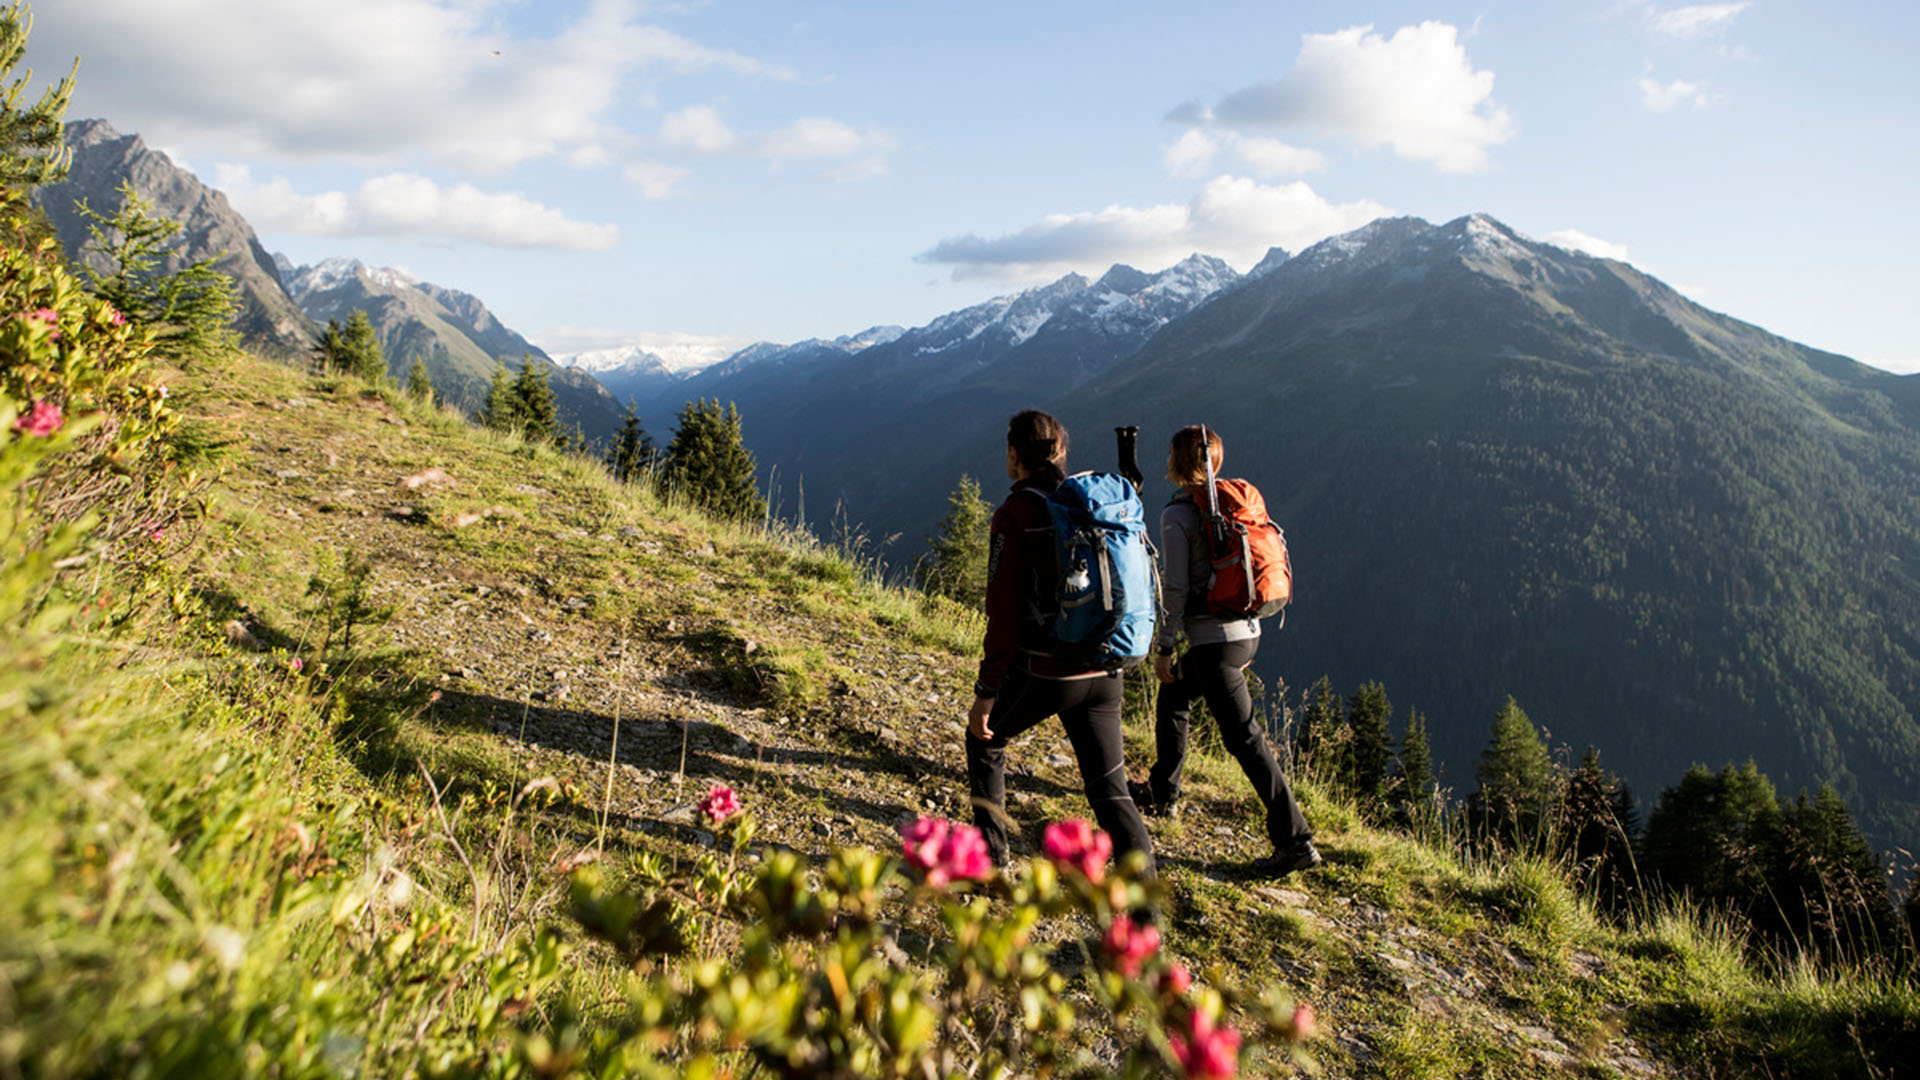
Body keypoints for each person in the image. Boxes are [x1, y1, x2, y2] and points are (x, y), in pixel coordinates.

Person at [966, 409, 1156, 878]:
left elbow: (1004, 614)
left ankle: (993, 864)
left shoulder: (1016, 515)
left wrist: (987, 692)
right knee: (1111, 794)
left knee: (985, 741)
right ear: (1061, 452)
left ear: (1014, 455)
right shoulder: (1092, 508)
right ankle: (1147, 922)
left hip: (1048, 673)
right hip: (1107, 666)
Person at [1130, 424, 1320, 878]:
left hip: (1215, 644)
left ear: (1176, 464)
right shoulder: (1236, 505)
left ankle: (1296, 842)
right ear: (1215, 461)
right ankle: (1163, 792)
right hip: (1245, 633)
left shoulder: (1179, 515)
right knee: (1175, 695)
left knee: (1246, 740)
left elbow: (1174, 588)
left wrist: (1165, 646)